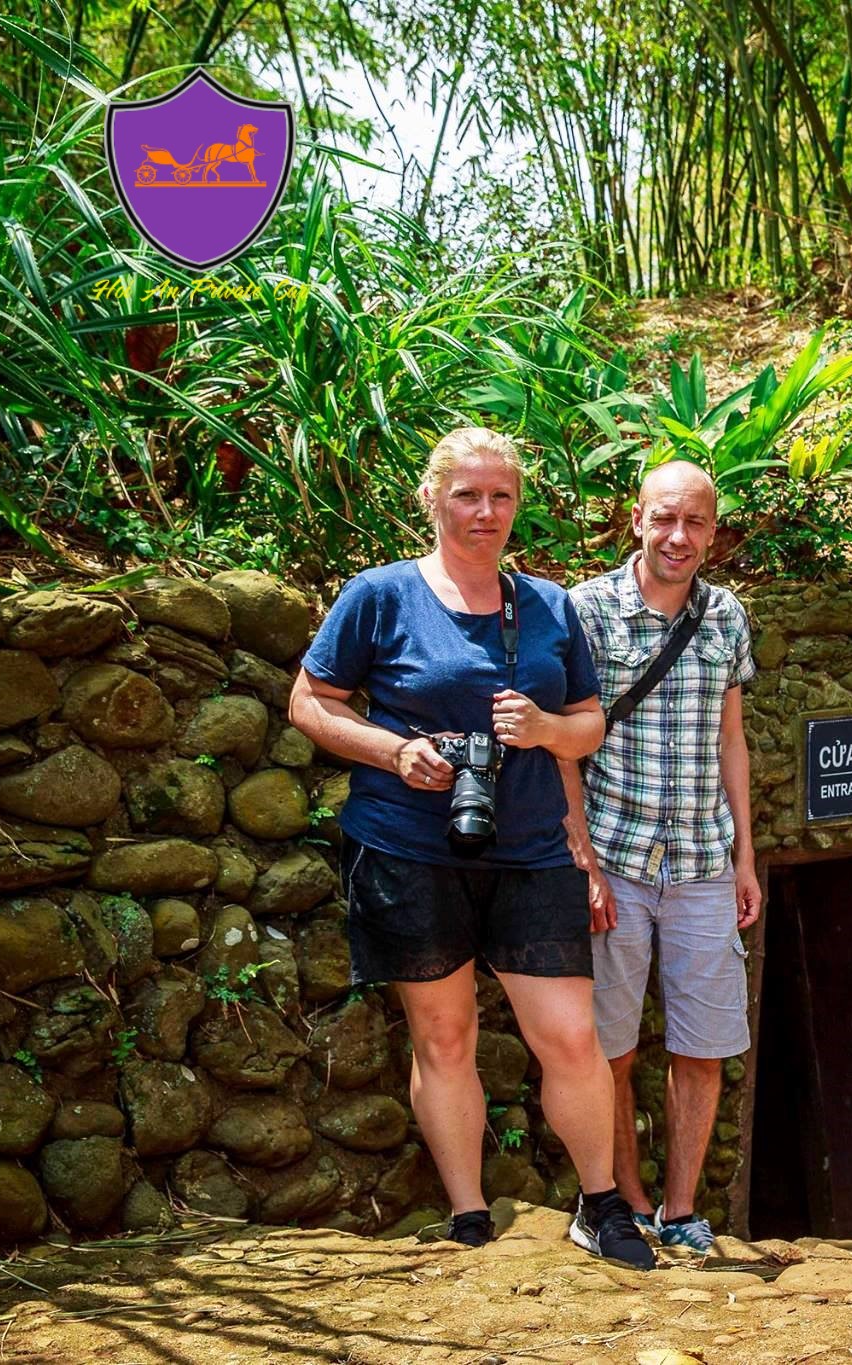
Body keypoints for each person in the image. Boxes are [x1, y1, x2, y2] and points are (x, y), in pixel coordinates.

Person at [289, 427, 654, 1271]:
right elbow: (310, 699)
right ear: (432, 498)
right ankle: (468, 1215)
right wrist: (394, 750)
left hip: (529, 845)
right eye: (467, 494)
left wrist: (544, 726)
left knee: (569, 1034)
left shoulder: (551, 606)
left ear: (516, 504)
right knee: (443, 1035)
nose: (485, 512)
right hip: (409, 843)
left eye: (501, 496)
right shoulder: (379, 597)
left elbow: (590, 724)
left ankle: (600, 1204)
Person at [558, 459, 759, 1255]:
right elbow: (562, 743)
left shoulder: (726, 616)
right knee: (610, 1043)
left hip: (704, 861)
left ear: (713, 533)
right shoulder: (587, 610)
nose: (680, 536)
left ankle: (681, 1209)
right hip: (616, 854)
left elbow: (732, 738)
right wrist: (582, 857)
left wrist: (746, 856)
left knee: (702, 1043)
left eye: (697, 523)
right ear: (635, 517)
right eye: (665, 518)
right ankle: (625, 1201)